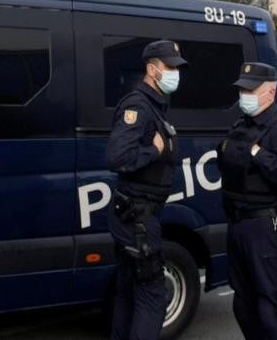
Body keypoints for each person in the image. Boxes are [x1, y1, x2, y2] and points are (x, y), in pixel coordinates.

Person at [106, 39, 185, 340]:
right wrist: (153, 151)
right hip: (137, 216)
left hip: (135, 214)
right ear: (152, 70)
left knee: (128, 293)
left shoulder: (154, 104)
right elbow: (117, 157)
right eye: (170, 67)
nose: (176, 73)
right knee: (153, 296)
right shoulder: (138, 105)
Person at [217, 62, 277, 340]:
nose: (245, 94)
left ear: (270, 91)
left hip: (265, 226)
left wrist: (258, 154)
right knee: (242, 304)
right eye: (242, 88)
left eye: (250, 89)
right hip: (237, 223)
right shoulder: (240, 125)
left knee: (270, 307)